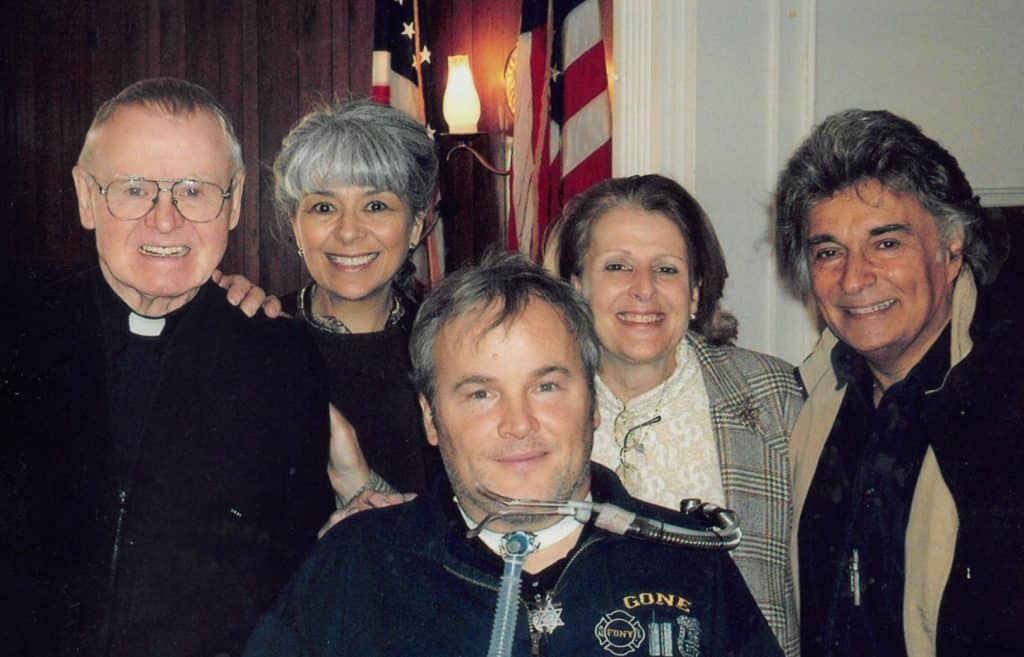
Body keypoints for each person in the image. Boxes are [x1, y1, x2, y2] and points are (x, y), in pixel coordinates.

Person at [242, 251, 784, 657]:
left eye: (546, 387)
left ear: (592, 401)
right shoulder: (353, 566)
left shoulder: (689, 566)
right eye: (481, 394)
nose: (518, 424)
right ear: (431, 419)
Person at [0, 78, 333, 657]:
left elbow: (293, 575)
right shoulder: (15, 329)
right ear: (85, 196)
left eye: (195, 191)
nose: (165, 221)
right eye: (133, 190)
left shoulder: (281, 358)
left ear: (232, 201)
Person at [774, 108, 1022, 657]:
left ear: (952, 247)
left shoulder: (1006, 408)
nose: (854, 278)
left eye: (887, 243)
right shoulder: (805, 401)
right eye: (828, 252)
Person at [554, 174, 802, 656]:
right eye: (618, 267)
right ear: (577, 287)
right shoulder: (537, 406)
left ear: (694, 292)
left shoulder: (775, 399)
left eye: (666, 270)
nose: (643, 290)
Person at [263, 99, 443, 510]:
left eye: (375, 206)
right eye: (324, 207)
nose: (348, 232)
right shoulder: (259, 339)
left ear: (415, 224)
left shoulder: (453, 343)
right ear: (295, 225)